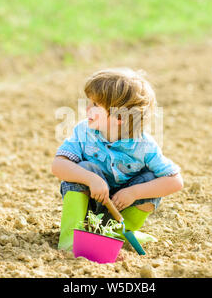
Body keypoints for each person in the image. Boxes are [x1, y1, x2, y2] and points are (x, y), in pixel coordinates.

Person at [51, 68, 183, 251]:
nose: (87, 108)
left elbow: (175, 181)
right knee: (84, 168)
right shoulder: (83, 132)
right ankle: (70, 240)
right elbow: (58, 165)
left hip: (120, 207)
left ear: (119, 117)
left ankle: (114, 235)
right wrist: (91, 179)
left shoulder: (144, 146)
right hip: (90, 205)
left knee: (151, 180)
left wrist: (134, 193)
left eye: (96, 104)